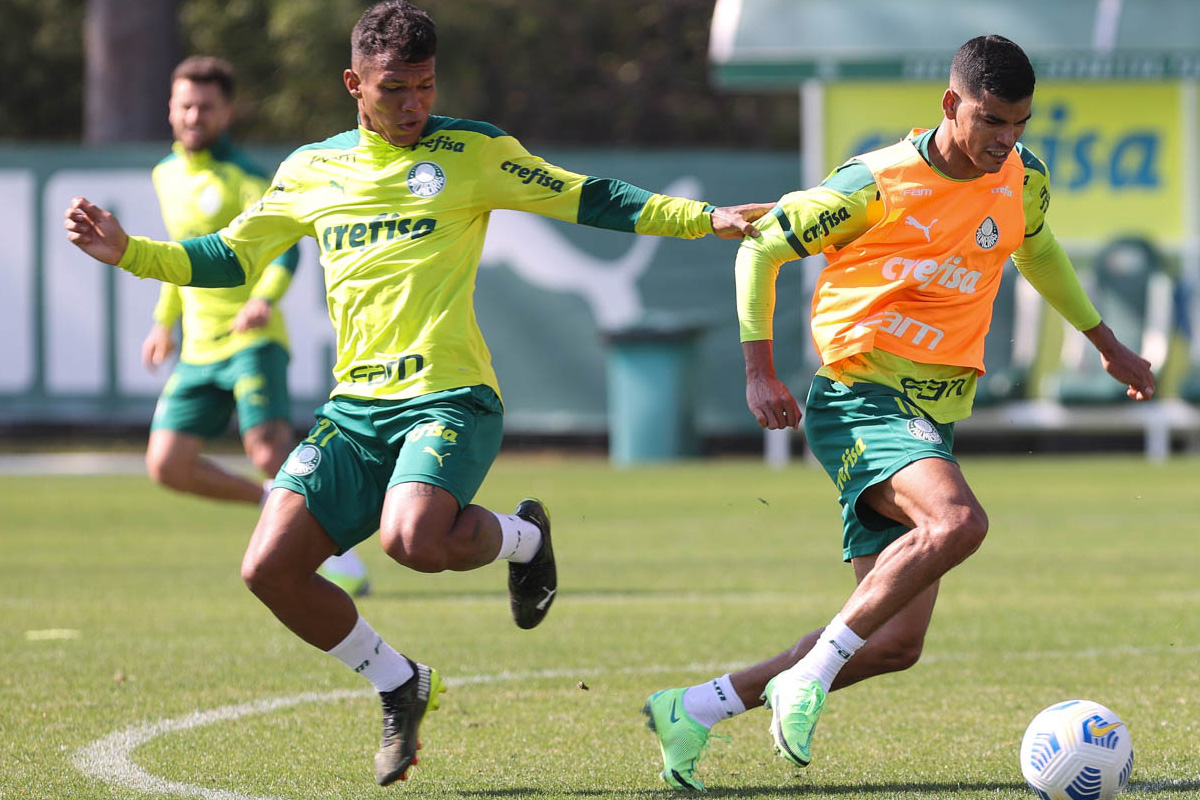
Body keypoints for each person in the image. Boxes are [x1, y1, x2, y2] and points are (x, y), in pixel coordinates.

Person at [64, 1, 771, 787]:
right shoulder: (311, 170)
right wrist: (130, 253)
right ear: (353, 85)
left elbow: (590, 195)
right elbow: (230, 257)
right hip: (353, 410)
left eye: (426, 87)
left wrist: (704, 218)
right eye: (395, 89)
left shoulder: (472, 152)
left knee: (411, 540)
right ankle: (400, 680)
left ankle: (523, 540)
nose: (414, 107)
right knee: (268, 570)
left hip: (450, 396)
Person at [642, 34, 1157, 791]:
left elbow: (1035, 246)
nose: (1006, 140)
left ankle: (693, 709)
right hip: (860, 396)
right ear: (951, 105)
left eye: (1020, 124)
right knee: (958, 524)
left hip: (930, 413)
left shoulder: (1023, 177)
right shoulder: (874, 184)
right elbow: (758, 250)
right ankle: (805, 677)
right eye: (991, 122)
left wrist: (1105, 342)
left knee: (891, 642)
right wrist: (760, 371)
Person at [143, 55, 371, 596]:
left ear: (228, 113)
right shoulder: (165, 175)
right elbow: (180, 261)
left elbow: (285, 250)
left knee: (269, 451)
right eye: (186, 106)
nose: (195, 116)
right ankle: (274, 504)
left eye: (207, 107)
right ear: (171, 110)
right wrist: (163, 325)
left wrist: (264, 300)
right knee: (168, 465)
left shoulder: (246, 177)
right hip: (199, 349)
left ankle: (343, 553)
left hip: (252, 340)